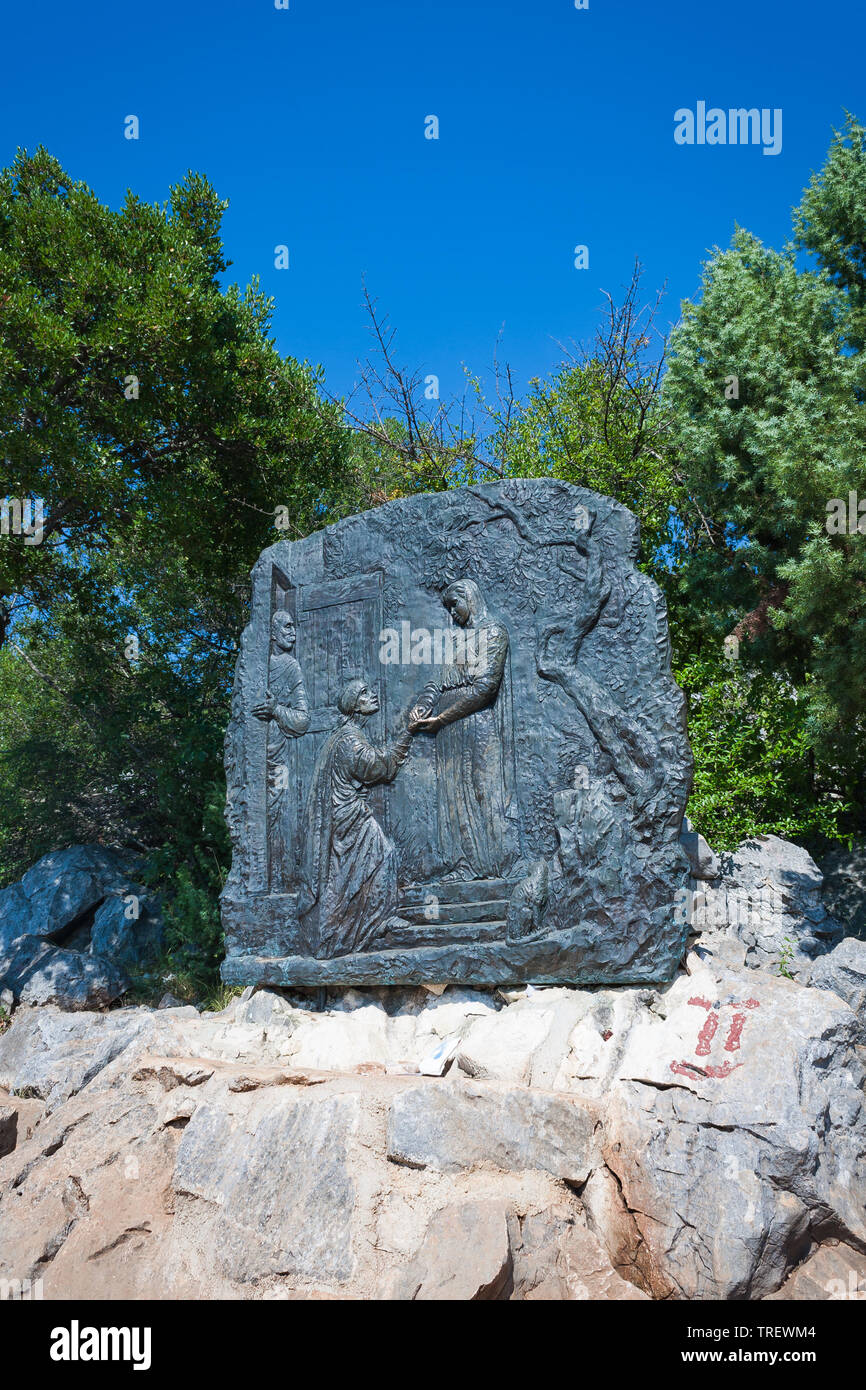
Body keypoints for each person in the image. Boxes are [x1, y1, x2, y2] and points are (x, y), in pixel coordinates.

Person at [409, 579, 521, 879]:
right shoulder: (456, 641)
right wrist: (423, 706)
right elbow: (438, 681)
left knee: (485, 791)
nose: (452, 614)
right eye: (447, 609)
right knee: (453, 799)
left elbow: (485, 688)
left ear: (469, 598)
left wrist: (442, 718)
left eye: (454, 605)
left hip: (476, 725)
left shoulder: (494, 632)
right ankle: (463, 866)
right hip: (449, 733)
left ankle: (501, 865)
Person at [299, 678, 415, 958]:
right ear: (354, 706)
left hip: (348, 814)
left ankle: (373, 921)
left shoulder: (348, 736)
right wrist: (407, 734)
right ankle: (350, 929)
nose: (372, 695)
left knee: (365, 865)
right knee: (377, 858)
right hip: (347, 818)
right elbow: (377, 768)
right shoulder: (349, 739)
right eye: (364, 694)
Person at [252, 611, 310, 889]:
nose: (293, 633)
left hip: (279, 758)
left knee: (278, 816)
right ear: (272, 632)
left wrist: (276, 710)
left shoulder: (291, 666)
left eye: (294, 627)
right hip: (252, 756)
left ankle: (280, 882)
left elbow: (303, 720)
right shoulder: (253, 666)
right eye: (287, 627)